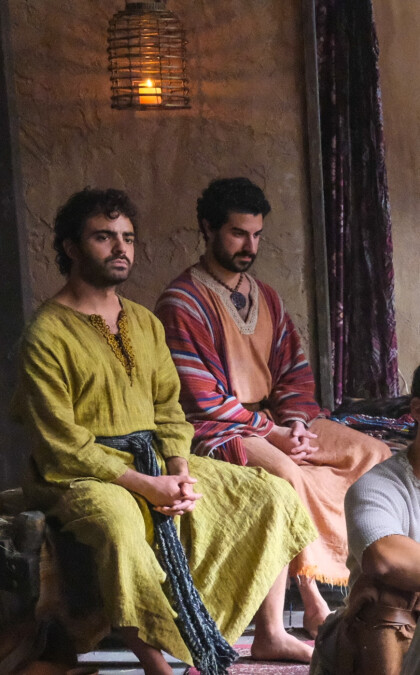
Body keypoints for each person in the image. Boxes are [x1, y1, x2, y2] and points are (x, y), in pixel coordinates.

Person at [11, 187, 318, 675]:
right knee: (119, 524)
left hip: (153, 458)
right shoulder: (46, 333)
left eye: (128, 238)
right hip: (78, 475)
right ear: (71, 247)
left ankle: (249, 633)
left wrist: (179, 471)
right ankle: (157, 665)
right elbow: (60, 445)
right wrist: (146, 486)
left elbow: (170, 410)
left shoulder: (143, 323)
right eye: (104, 237)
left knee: (270, 494)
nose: (121, 248)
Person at [155, 177, 391, 637]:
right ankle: (312, 598)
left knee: (373, 454)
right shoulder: (181, 301)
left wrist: (297, 423)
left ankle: (371, 586)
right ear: (208, 228)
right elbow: (200, 396)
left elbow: (292, 375)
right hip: (216, 426)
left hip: (275, 419)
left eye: (257, 235)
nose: (250, 246)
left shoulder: (267, 298)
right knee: (286, 473)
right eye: (238, 233)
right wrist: (274, 435)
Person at [310, 365, 420, 675]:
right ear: (417, 411)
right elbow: (384, 558)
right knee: (386, 594)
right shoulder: (378, 486)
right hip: (380, 644)